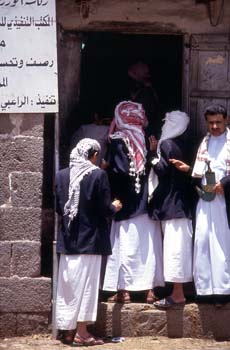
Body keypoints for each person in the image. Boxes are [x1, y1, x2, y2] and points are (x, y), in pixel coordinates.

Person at [55, 138, 122, 346]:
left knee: (68, 288)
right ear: (93, 155)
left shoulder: (61, 175)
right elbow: (103, 209)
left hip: (68, 241)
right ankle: (82, 333)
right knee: (86, 288)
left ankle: (67, 331)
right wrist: (115, 207)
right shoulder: (98, 175)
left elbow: (59, 207)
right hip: (90, 241)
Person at [102, 100, 164, 304]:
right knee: (148, 247)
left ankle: (124, 291)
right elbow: (148, 166)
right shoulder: (146, 138)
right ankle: (149, 292)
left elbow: (119, 171)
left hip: (126, 202)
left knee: (125, 246)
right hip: (146, 201)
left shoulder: (118, 140)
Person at [170, 104, 230, 303]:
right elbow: (200, 172)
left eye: (218, 122)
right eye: (211, 122)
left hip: (224, 201)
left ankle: (222, 292)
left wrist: (224, 184)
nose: (214, 126)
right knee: (203, 241)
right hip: (205, 199)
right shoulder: (202, 142)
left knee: (222, 244)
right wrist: (187, 169)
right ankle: (204, 291)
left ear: (226, 120)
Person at [148, 111, 193, 309]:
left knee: (174, 250)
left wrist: (152, 153)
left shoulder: (166, 144)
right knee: (180, 249)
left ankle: (177, 294)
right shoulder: (187, 144)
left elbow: (162, 170)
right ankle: (179, 291)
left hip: (171, 205)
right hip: (183, 205)